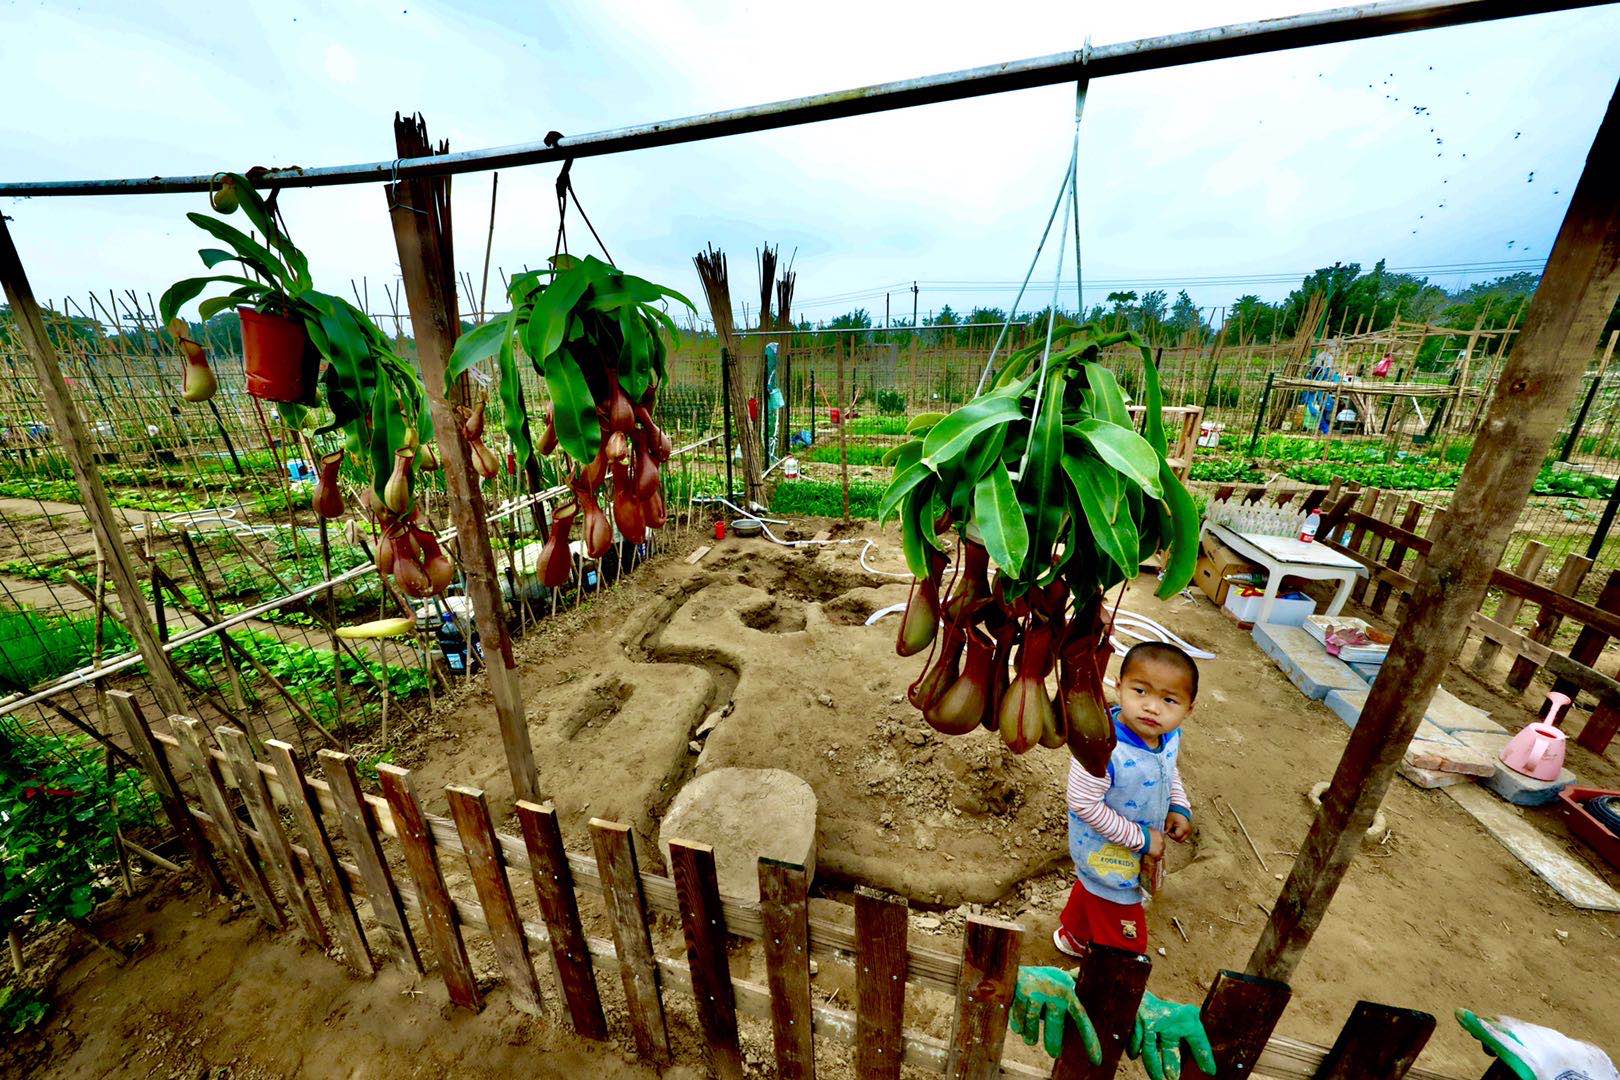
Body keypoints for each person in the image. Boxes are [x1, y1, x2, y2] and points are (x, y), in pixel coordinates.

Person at [1055, 641, 1195, 958]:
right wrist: (1141, 838)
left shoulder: (1169, 737)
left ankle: (1074, 937)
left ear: (1189, 709)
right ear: (1119, 687)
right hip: (1109, 853)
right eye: (1140, 691)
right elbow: (1083, 803)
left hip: (1133, 852)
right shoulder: (1101, 746)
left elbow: (1168, 770)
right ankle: (1112, 981)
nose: (1152, 707)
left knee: (1094, 889)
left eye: (1169, 700)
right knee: (1125, 941)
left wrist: (1177, 805)